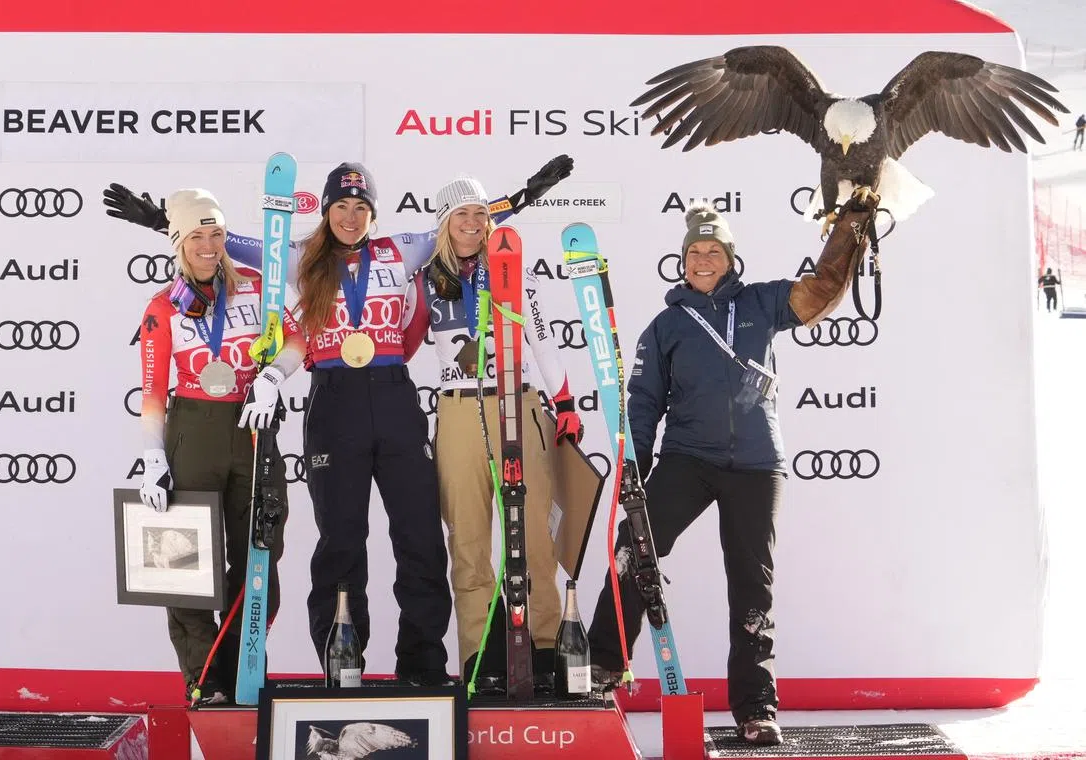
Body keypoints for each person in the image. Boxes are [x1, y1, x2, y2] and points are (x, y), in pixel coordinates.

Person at [105, 156, 573, 686]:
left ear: (373, 212)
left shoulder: (401, 251)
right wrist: (158, 222)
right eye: (341, 207)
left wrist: (525, 193)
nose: (351, 216)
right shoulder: (302, 255)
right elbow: (223, 243)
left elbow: (463, 221)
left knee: (418, 536)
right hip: (334, 401)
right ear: (326, 211)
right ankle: (341, 657)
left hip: (394, 398)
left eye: (361, 206)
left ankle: (422, 662)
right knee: (341, 540)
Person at [585, 193, 880, 745]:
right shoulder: (667, 324)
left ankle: (755, 706)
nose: (703, 259)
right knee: (634, 548)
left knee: (752, 585)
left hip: (756, 464)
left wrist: (848, 231)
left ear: (730, 257)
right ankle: (603, 669)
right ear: (682, 258)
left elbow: (818, 293)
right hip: (688, 458)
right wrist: (635, 466)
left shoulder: (764, 302)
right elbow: (645, 400)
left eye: (713, 250)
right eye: (695, 250)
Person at [411, 175, 584, 694]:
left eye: (480, 215)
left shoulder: (512, 269)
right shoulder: (423, 279)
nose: (471, 224)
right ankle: (479, 653)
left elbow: (543, 339)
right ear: (443, 222)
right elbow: (401, 340)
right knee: (467, 537)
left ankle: (547, 646)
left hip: (519, 400)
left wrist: (566, 401)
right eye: (460, 214)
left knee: (533, 533)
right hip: (459, 409)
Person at [137, 188, 306, 705]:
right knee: (181, 560)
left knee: (260, 553)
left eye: (216, 233)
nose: (209, 245)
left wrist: (274, 375)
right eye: (196, 236)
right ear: (178, 243)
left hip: (253, 427)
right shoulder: (163, 307)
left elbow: (298, 341)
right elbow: (152, 390)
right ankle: (204, 676)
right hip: (193, 430)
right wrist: (153, 456)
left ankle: (240, 669)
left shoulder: (258, 288)